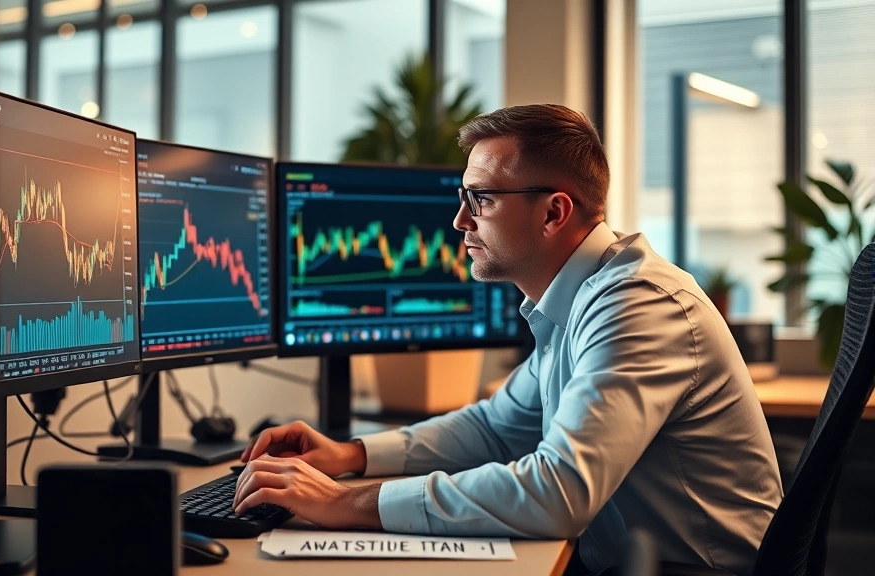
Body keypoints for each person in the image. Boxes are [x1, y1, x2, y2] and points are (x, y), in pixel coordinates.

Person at [232, 104, 783, 575]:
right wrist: (349, 456)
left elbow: (558, 492)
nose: (458, 221)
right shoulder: (578, 298)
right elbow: (496, 428)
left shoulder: (635, 304)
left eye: (481, 200)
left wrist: (348, 502)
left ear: (554, 212)